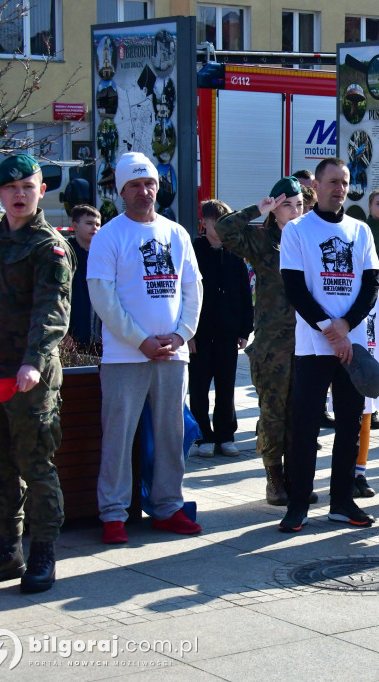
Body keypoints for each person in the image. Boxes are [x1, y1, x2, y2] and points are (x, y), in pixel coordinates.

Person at [0, 154, 75, 593]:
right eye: (10, 188)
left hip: (29, 375)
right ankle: (6, 549)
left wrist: (33, 360)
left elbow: (51, 311)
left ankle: (42, 552)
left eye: (27, 187)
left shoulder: (47, 246)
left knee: (36, 466)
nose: (18, 195)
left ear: (40, 191)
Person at [89, 151, 203, 545]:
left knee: (171, 433)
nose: (143, 191)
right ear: (122, 190)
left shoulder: (177, 233)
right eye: (134, 185)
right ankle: (113, 514)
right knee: (118, 435)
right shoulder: (109, 236)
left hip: (173, 354)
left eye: (149, 183)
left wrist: (181, 334)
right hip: (124, 355)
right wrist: (140, 340)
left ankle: (168, 507)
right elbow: (102, 296)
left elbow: (192, 288)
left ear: (158, 186)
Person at [277, 157, 379, 532]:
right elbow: (295, 288)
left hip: (351, 347)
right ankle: (298, 504)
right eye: (333, 181)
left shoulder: (361, 231)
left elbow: (370, 285)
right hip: (314, 346)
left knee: (350, 426)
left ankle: (341, 501)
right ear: (316, 187)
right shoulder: (297, 231)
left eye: (345, 182)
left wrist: (346, 326)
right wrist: (328, 329)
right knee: (305, 426)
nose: (340, 188)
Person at [215, 177, 304, 506]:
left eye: (299, 205)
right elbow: (224, 230)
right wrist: (258, 208)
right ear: (275, 209)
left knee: (300, 414)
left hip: (306, 341)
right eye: (287, 205)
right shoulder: (262, 239)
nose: (295, 211)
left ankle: (297, 477)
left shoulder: (311, 239)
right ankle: (274, 479)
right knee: (273, 413)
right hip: (271, 343)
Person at [188, 199, 253, 457]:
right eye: (215, 223)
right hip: (200, 334)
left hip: (227, 333)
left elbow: (245, 293)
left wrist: (244, 330)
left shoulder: (235, 253)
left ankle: (226, 435)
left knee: (226, 388)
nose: (219, 228)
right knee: (200, 387)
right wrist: (188, 333)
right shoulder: (194, 250)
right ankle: (202, 436)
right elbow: (186, 292)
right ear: (205, 223)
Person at [353, 269, 379, 499]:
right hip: (349, 363)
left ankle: (359, 473)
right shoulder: (345, 291)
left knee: (366, 421)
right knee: (348, 424)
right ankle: (345, 471)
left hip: (372, 365)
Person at [68, 204, 103, 350]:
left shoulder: (104, 254)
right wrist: (64, 334)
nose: (94, 228)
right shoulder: (65, 252)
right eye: (89, 223)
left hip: (99, 337)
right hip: (72, 335)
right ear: (75, 225)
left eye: (98, 224)